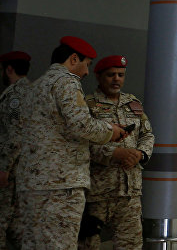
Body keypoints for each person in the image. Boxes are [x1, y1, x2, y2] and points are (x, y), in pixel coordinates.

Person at [15, 37, 127, 250]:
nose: (87, 72)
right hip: (61, 183)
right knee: (60, 244)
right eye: (87, 64)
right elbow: (81, 124)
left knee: (33, 243)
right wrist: (109, 131)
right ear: (74, 59)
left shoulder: (36, 86)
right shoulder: (66, 81)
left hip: (32, 183)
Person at [80, 55, 155, 250]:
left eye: (120, 75)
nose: (116, 79)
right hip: (97, 193)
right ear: (98, 76)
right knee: (88, 245)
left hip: (129, 193)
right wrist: (113, 153)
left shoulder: (133, 104)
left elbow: (147, 135)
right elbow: (81, 144)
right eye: (111, 75)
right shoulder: (87, 105)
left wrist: (139, 154)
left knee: (130, 245)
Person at [0, 50, 32, 248]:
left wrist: (4, 168)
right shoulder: (31, 91)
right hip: (23, 169)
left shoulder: (16, 96)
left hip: (11, 169)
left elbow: (15, 135)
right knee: (16, 223)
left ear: (9, 69)